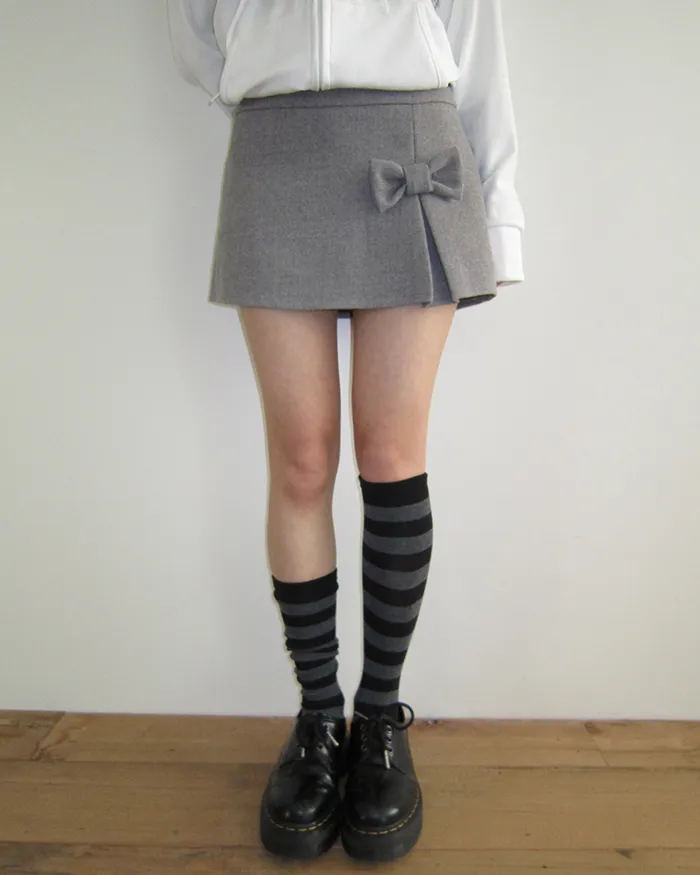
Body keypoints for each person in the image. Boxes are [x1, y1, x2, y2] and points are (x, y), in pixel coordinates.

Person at [166, 0, 524, 862]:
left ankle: (379, 719)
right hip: (277, 149)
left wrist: (502, 223)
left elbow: (481, 57)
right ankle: (319, 718)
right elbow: (195, 33)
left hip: (410, 142)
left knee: (391, 455)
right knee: (300, 462)